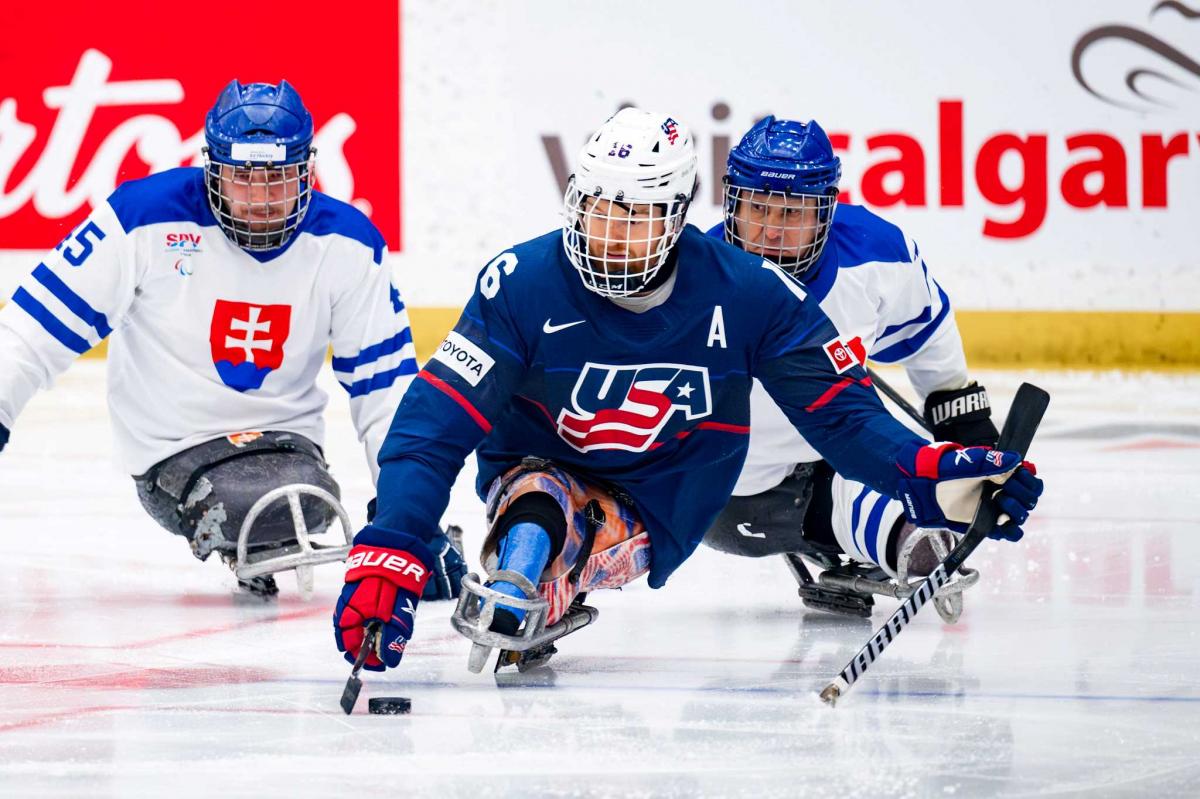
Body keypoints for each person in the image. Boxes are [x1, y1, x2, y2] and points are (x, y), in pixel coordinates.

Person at [331, 108, 1042, 674]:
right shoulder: (517, 282)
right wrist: (391, 544)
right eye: (597, 209)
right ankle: (531, 558)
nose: (609, 235)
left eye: (635, 217)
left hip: (666, 496)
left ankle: (555, 564)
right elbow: (433, 424)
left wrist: (931, 473)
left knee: (556, 512)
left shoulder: (750, 293)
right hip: (543, 465)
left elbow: (843, 413)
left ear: (675, 218)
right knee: (539, 499)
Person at [0, 79, 464, 598]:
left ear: (307, 169)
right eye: (243, 178)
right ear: (211, 169)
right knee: (253, 506)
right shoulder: (140, 218)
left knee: (303, 501)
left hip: (290, 447)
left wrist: (408, 517)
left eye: (279, 178)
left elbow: (388, 395)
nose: (262, 199)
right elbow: (32, 331)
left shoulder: (348, 245)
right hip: (172, 451)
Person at [701, 116, 1004, 621]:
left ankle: (896, 534)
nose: (772, 231)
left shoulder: (878, 256)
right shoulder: (694, 279)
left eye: (793, 212)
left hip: (835, 459)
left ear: (825, 212)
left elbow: (925, 327)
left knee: (904, 502)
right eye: (758, 209)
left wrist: (959, 415)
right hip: (717, 493)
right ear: (732, 204)